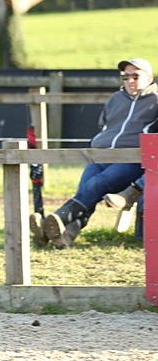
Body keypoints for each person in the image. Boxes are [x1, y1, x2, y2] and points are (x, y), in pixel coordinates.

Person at [40, 57, 158, 248]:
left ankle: (53, 222)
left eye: (135, 76)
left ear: (149, 78)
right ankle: (66, 234)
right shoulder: (115, 99)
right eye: (125, 77)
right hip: (101, 155)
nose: (130, 81)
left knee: (95, 184)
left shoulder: (155, 100)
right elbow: (105, 125)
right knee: (85, 189)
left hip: (130, 159)